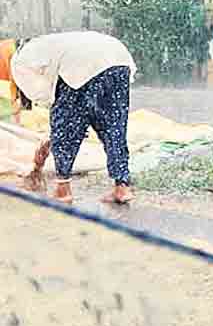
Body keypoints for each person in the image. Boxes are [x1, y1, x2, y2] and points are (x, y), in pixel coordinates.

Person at [9, 31, 137, 205]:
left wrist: (56, 129)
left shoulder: (19, 60)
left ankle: (63, 190)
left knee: (64, 126)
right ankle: (122, 187)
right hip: (119, 59)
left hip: (82, 63)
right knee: (114, 127)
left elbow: (42, 95)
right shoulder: (53, 42)